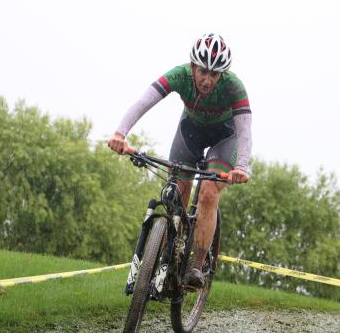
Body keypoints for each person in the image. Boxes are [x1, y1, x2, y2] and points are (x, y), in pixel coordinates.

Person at [108, 32, 252, 289]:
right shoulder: (179, 75)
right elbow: (144, 101)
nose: (207, 80)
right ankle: (168, 256)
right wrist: (120, 133)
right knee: (176, 193)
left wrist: (241, 166)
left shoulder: (233, 87)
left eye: (214, 74)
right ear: (193, 67)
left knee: (208, 193)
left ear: (222, 75)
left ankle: (196, 265)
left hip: (225, 138)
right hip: (191, 132)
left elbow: (244, 128)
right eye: (203, 72)